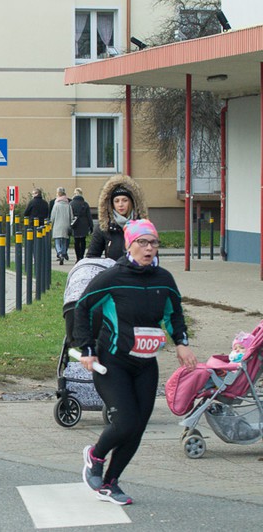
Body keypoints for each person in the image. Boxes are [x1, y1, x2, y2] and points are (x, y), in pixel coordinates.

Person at [74, 219, 197, 505]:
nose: (149, 248)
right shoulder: (112, 277)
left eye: (154, 242)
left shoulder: (164, 279)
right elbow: (82, 309)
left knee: (137, 428)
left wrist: (181, 343)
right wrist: (88, 348)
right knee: (125, 421)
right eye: (143, 242)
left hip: (146, 365)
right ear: (130, 245)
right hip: (112, 363)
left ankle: (110, 482)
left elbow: (174, 313)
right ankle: (95, 455)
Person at [87, 175, 147, 260]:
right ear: (112, 204)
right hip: (113, 271)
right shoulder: (104, 227)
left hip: (136, 272)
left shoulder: (143, 227)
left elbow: (152, 258)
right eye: (116, 201)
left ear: (132, 202)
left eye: (125, 200)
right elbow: (91, 257)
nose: (120, 204)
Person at [49, 187, 72, 265]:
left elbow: (52, 216)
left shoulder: (56, 205)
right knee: (64, 242)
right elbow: (71, 216)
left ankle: (59, 253)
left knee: (57, 241)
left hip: (57, 226)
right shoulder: (68, 205)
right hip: (66, 225)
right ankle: (64, 252)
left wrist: (50, 225)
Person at [70, 188, 94, 262]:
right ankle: (82, 256)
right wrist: (91, 225)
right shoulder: (85, 204)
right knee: (83, 240)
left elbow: (69, 215)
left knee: (76, 241)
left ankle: (77, 258)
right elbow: (89, 216)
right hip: (84, 224)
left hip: (75, 224)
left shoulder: (71, 203)